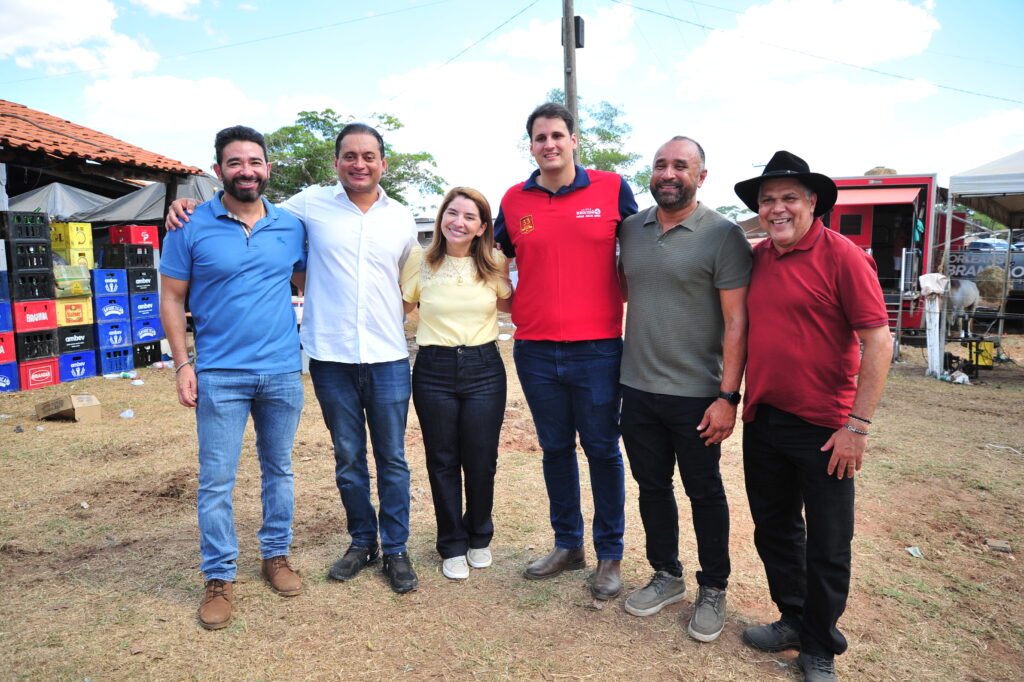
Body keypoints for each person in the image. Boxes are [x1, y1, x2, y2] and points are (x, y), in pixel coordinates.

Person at [166, 123, 421, 594]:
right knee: (347, 458)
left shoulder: (402, 217)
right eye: (349, 155)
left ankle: (397, 549)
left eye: (369, 156)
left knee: (392, 459)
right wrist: (182, 205)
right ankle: (361, 542)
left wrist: (392, 312)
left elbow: (413, 284)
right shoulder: (306, 207)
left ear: (383, 163)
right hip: (329, 357)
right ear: (336, 163)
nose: (359, 164)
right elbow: (249, 217)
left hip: (385, 356)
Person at [733, 151, 892, 682]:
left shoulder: (843, 256)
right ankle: (795, 619)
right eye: (768, 200)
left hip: (826, 427)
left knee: (828, 540)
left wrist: (857, 426)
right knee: (774, 530)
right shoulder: (758, 258)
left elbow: (878, 341)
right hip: (765, 417)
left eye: (788, 199)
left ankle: (820, 645)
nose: (776, 209)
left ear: (812, 203)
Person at [160, 125, 307, 630]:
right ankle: (219, 577)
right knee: (216, 482)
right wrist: (183, 364)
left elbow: (312, 279)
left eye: (255, 162)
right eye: (236, 163)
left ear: (268, 168)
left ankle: (276, 556)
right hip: (219, 374)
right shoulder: (189, 225)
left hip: (284, 372)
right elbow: (173, 297)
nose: (247, 171)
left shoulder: (291, 226)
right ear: (218, 169)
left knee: (279, 470)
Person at [494, 102, 637, 600]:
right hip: (534, 350)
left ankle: (610, 554)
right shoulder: (513, 201)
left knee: (601, 449)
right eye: (539, 137)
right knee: (555, 449)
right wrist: (507, 302)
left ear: (574, 139)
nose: (549, 144)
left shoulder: (612, 188)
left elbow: (644, 249)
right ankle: (567, 544)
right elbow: (492, 260)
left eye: (557, 134)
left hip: (598, 348)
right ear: (530, 146)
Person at [617, 136, 751, 642]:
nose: (668, 173)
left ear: (701, 175)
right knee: (652, 488)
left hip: (698, 394)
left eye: (681, 165)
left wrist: (727, 396)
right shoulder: (631, 229)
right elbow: (630, 289)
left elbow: (737, 322)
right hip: (637, 387)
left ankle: (713, 587)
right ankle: (666, 574)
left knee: (703, 491)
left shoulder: (724, 235)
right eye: (660, 165)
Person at [400, 187, 513, 580]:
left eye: (469, 216)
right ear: (441, 217)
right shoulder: (421, 260)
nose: (458, 222)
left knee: (481, 460)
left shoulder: (494, 263)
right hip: (434, 368)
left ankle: (479, 535)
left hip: (484, 367)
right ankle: (451, 543)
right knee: (442, 459)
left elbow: (510, 304)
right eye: (452, 213)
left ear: (483, 227)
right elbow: (401, 306)